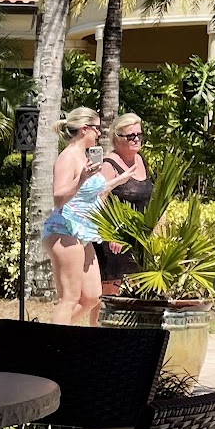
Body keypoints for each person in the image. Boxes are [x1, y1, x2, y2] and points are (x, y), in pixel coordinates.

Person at [40, 108, 139, 325]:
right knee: (69, 298)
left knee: (92, 296)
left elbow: (91, 192)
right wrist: (82, 178)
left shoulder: (84, 156)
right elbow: (58, 198)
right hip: (63, 230)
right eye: (97, 129)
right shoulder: (67, 157)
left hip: (83, 232)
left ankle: (46, 334)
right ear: (85, 129)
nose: (100, 134)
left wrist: (118, 180)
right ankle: (52, 341)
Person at [95, 114, 154, 297]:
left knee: (140, 298)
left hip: (140, 240)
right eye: (131, 136)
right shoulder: (108, 165)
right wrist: (111, 234)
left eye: (139, 135)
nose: (136, 139)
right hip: (114, 244)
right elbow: (98, 201)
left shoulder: (141, 160)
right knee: (109, 297)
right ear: (117, 138)